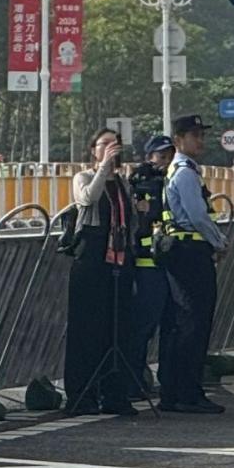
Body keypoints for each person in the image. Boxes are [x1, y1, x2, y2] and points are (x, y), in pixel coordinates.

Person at [63, 128, 137, 417]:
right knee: (86, 330)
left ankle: (114, 393)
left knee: (117, 329)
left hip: (117, 264)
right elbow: (86, 199)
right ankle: (82, 394)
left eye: (114, 145)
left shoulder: (123, 183)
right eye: (103, 145)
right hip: (90, 262)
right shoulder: (83, 177)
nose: (109, 149)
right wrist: (104, 167)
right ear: (93, 149)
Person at [158, 114, 227, 414]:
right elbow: (197, 216)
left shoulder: (182, 170)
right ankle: (187, 391)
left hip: (184, 251)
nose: (200, 140)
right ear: (179, 140)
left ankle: (176, 390)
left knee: (183, 323)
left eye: (201, 134)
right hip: (190, 251)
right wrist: (219, 241)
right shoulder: (185, 172)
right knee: (193, 322)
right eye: (194, 135)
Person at [126, 133, 175, 399]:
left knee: (172, 324)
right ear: (149, 157)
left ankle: (167, 379)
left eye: (169, 155)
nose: (166, 161)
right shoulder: (140, 181)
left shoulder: (177, 178)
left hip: (173, 262)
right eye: (161, 156)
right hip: (147, 264)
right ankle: (134, 380)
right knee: (143, 326)